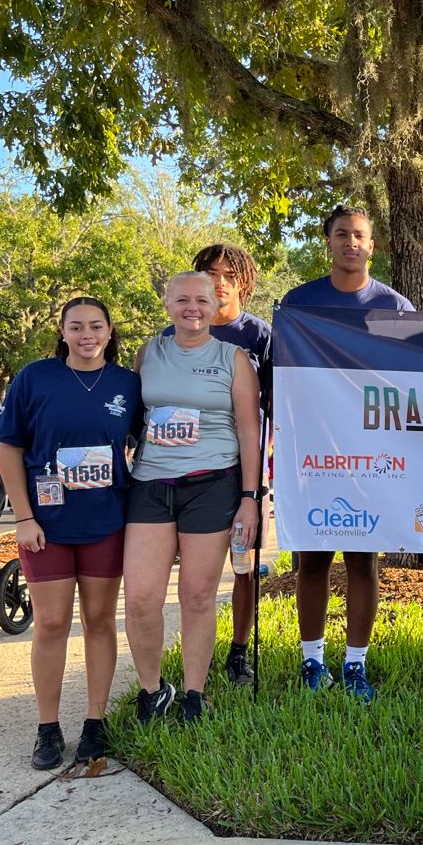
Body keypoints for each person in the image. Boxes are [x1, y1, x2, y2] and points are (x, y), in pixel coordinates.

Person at [0, 297, 143, 769]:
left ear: (110, 331)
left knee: (99, 621)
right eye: (76, 327)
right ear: (62, 332)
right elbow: (9, 449)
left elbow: (148, 443)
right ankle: (48, 727)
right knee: (52, 623)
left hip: (106, 521)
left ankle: (95, 723)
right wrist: (23, 517)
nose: (86, 335)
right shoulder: (35, 378)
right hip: (46, 525)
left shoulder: (128, 384)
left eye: (95, 326)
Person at [282, 205, 414, 698]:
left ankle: (356, 664)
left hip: (371, 454)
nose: (351, 243)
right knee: (313, 559)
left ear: (371, 245)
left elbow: (407, 382)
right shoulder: (299, 303)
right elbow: (286, 382)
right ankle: (312, 661)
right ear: (329, 242)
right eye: (342, 234)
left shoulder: (394, 307)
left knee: (362, 560)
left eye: (359, 235)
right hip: (314, 452)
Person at [123, 271, 262, 724]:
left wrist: (249, 497)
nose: (192, 308)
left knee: (197, 595)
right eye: (182, 300)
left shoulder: (233, 358)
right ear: (167, 304)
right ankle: (152, 690)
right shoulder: (149, 352)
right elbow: (131, 420)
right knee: (140, 598)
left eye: (201, 300)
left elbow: (249, 430)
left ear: (215, 305)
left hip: (212, 482)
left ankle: (193, 694)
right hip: (151, 483)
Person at [166, 243, 273, 687]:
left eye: (231, 275)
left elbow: (275, 405)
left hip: (245, 471)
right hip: (191, 471)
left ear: (244, 283)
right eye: (212, 273)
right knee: (198, 572)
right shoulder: (177, 333)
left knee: (243, 564)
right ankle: (200, 652)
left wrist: (262, 470)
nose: (221, 281)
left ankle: (239, 651)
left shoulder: (260, 335)